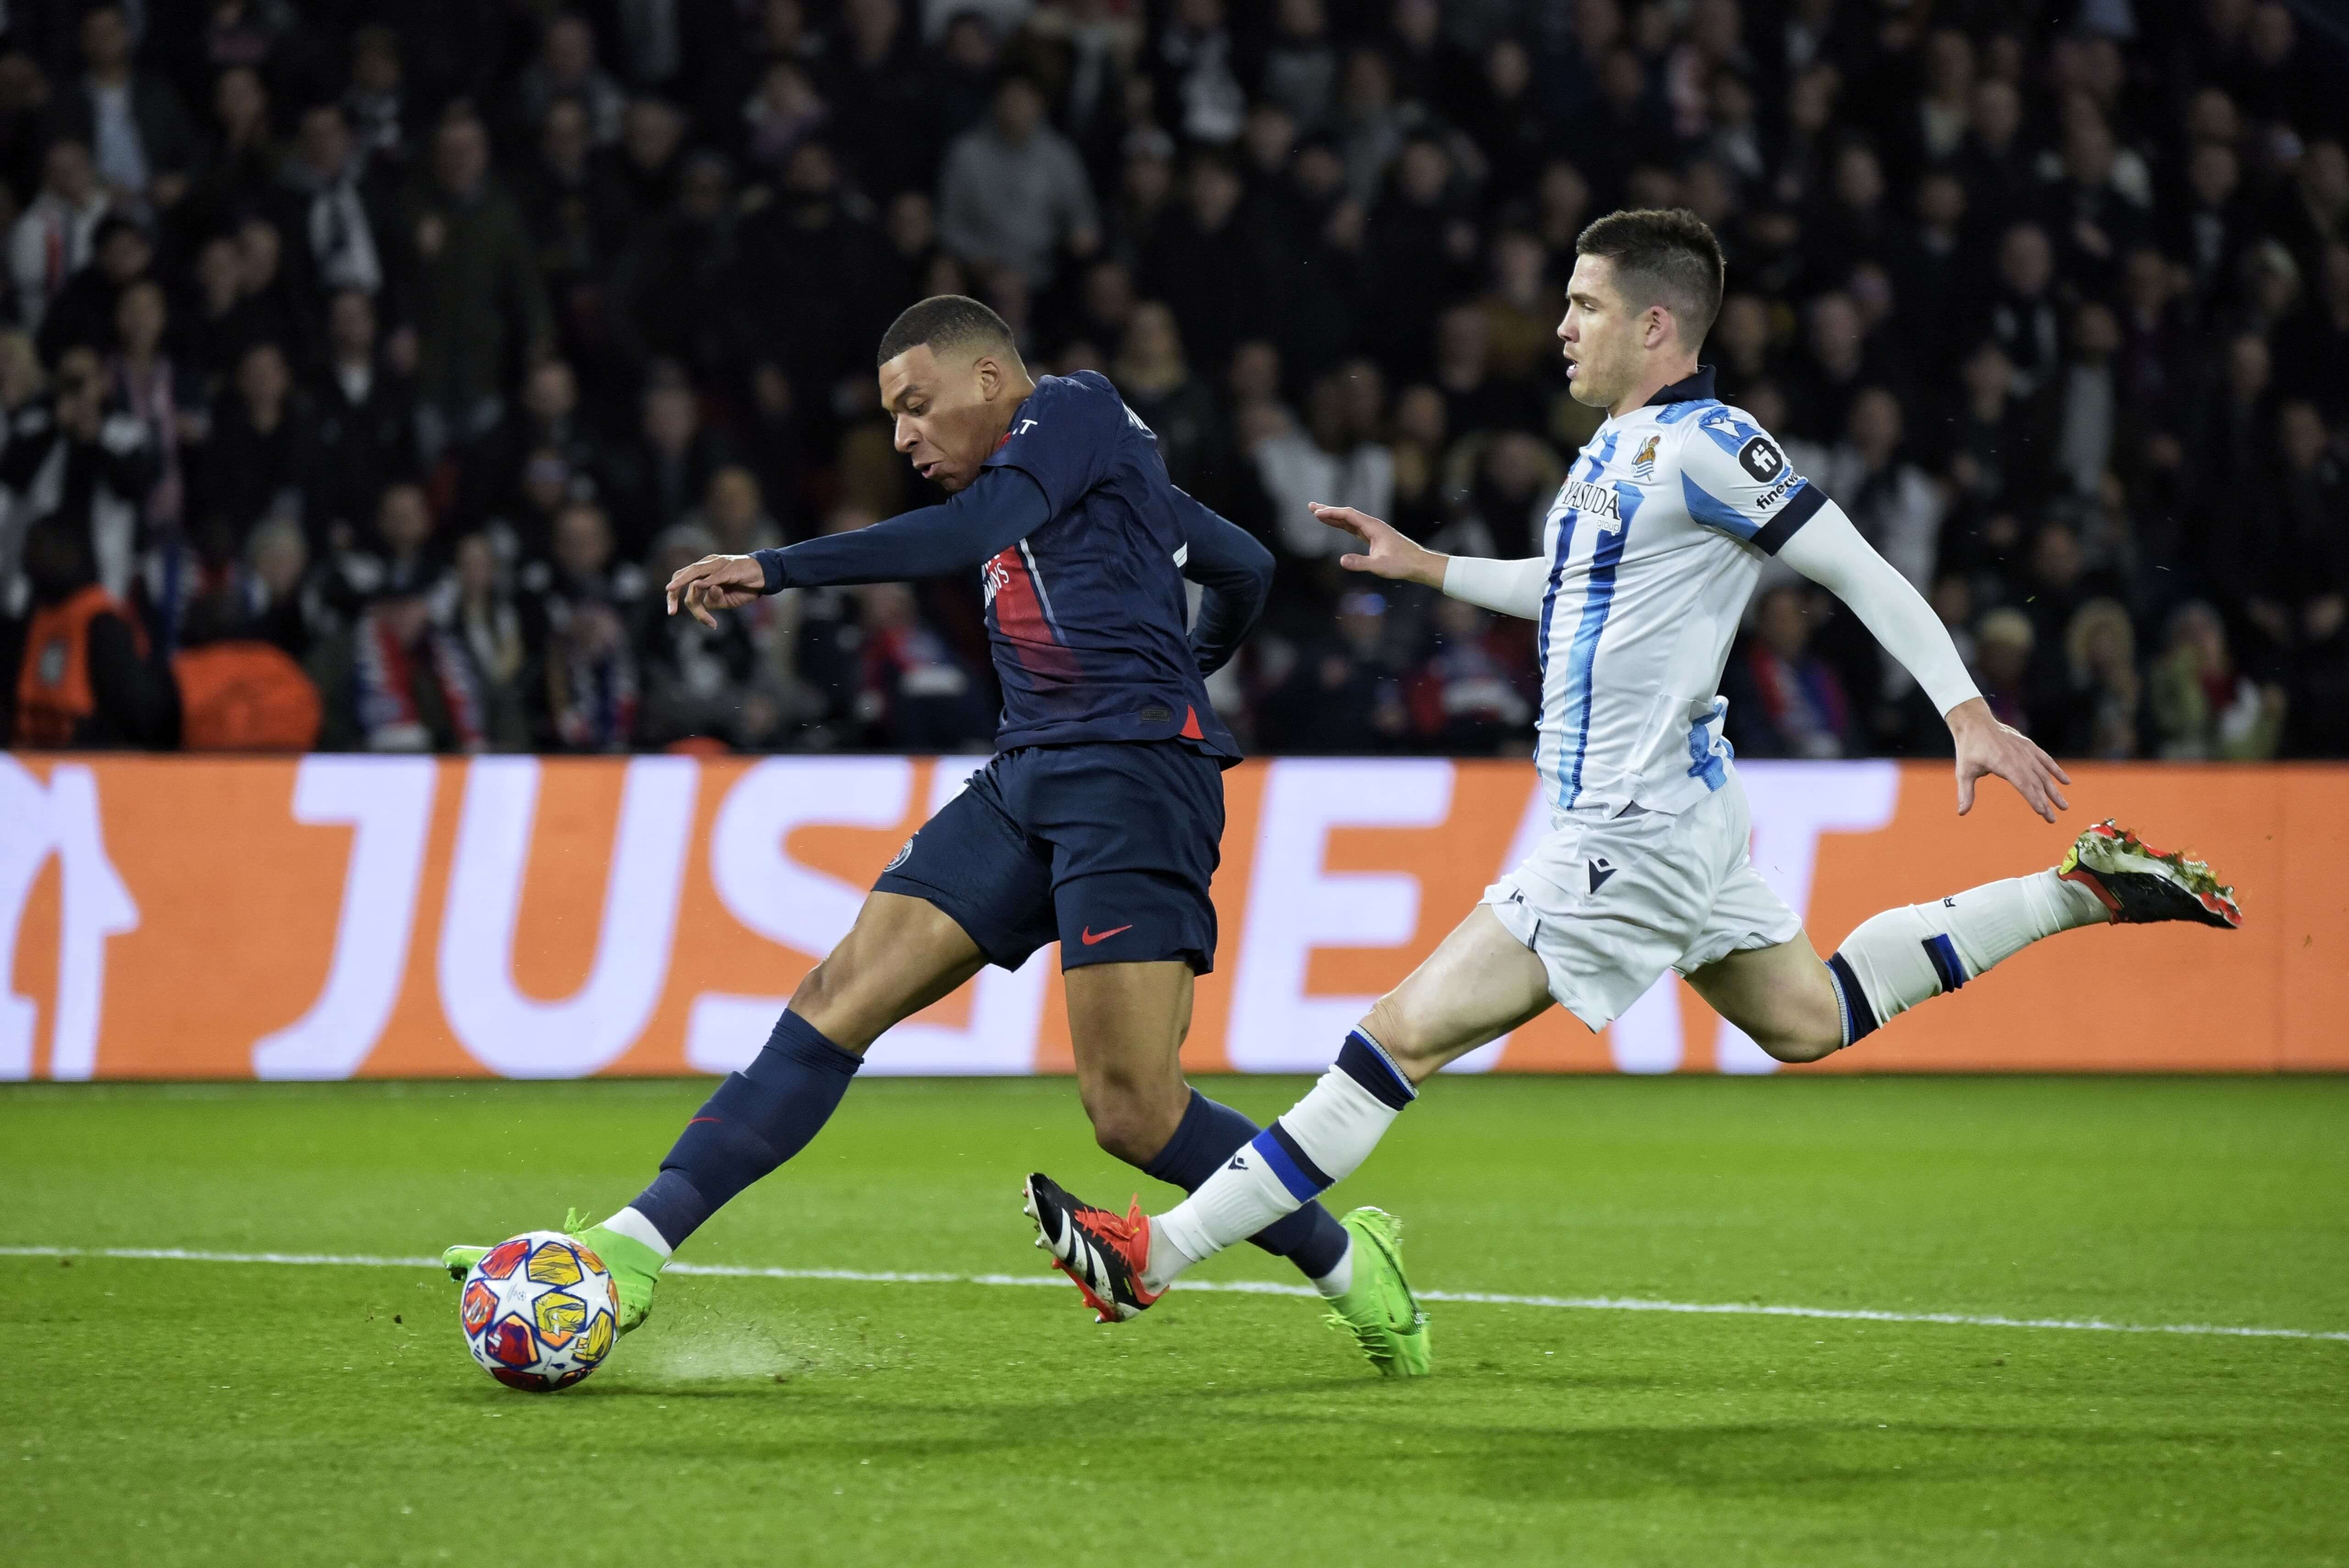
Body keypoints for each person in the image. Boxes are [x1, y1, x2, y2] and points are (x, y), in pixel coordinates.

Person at [1021, 208, 2243, 1372]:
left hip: (1631, 837)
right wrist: (1428, 565)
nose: (1560, 325)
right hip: (1683, 818)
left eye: (1585, 303)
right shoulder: (1619, 453)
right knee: (1808, 1018)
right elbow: (1567, 590)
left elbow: (1856, 564)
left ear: (1659, 326)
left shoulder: (1714, 446)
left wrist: (1963, 708)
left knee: (1395, 1039)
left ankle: (1157, 1255)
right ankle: (2078, 890)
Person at [438, 295, 1421, 1371]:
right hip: (1029, 775)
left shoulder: (1077, 410)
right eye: (891, 417)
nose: (902, 436)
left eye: (916, 406)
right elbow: (1244, 568)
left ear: (991, 381)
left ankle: (1350, 1258)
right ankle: (632, 1247)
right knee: (832, 1001)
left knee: (1134, 1112)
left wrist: (772, 566)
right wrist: (1196, 660)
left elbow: (968, 535)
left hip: (1135, 780)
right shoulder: (1103, 480)